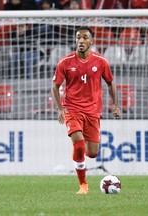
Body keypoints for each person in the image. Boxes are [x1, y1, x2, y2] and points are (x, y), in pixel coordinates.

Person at [52, 26, 121, 194]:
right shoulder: (65, 62)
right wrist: (61, 109)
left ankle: (78, 151)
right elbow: (55, 86)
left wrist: (115, 104)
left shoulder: (101, 61)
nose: (81, 40)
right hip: (72, 109)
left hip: (93, 111)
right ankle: (83, 185)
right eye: (78, 38)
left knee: (92, 153)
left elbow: (110, 82)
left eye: (84, 37)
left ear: (92, 41)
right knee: (80, 145)